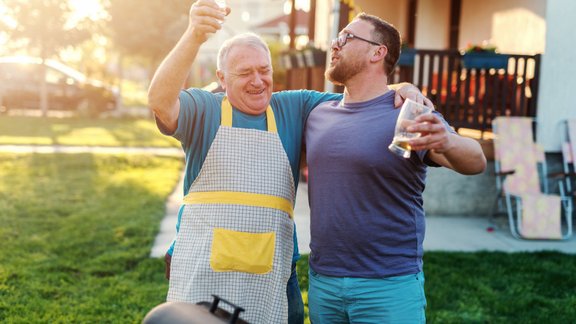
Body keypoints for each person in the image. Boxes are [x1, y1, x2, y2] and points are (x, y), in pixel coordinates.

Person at [148, 1, 428, 323]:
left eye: (264, 70)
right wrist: (194, 36)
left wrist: (399, 87)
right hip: (203, 271)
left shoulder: (295, 107)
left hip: (272, 273)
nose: (258, 81)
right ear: (222, 79)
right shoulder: (203, 109)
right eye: (244, 73)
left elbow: (362, 95)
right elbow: (160, 101)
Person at [304, 13, 487, 324]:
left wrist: (446, 140)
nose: (335, 44)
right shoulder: (317, 112)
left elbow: (477, 161)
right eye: (337, 37)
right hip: (324, 282)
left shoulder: (408, 114)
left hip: (388, 286)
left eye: (347, 37)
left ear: (378, 52)